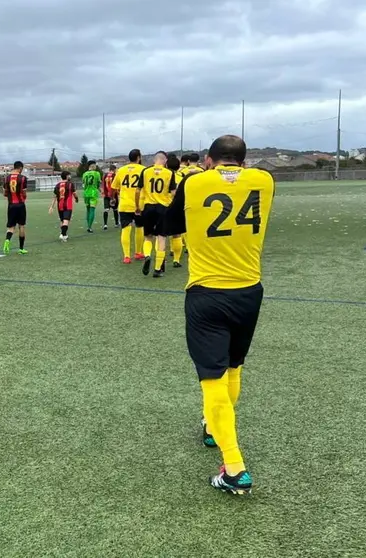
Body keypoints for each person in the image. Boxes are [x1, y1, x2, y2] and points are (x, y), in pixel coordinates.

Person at [162, 134, 274, 495]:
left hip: (207, 292)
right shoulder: (264, 180)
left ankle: (235, 467)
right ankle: (213, 426)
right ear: (244, 159)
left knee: (211, 377)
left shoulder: (195, 182)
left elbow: (168, 225)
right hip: (249, 290)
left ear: (209, 159)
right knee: (233, 367)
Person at [135, 151, 175, 277]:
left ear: (154, 160)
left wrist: (137, 206)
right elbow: (173, 193)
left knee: (148, 236)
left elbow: (137, 190)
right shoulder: (169, 173)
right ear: (165, 161)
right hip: (163, 208)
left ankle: (147, 256)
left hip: (148, 207)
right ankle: (158, 269)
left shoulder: (146, 171)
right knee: (161, 238)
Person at [111, 149, 146, 263]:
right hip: (139, 204)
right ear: (138, 157)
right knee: (139, 227)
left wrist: (112, 198)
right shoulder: (143, 170)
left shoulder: (121, 170)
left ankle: (126, 256)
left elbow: (114, 187)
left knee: (126, 229)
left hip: (124, 204)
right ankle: (138, 252)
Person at [2, 161, 30, 255]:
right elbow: (24, 192)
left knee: (11, 227)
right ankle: (21, 249)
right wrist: (24, 197)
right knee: (21, 225)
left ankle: (7, 240)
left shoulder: (6, 178)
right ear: (20, 168)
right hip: (20, 204)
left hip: (11, 205)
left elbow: (5, 193)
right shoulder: (23, 178)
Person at [48, 171, 78, 241]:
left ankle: (64, 236)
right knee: (66, 221)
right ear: (67, 176)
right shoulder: (70, 184)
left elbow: (55, 196)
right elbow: (74, 193)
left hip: (60, 205)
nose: (70, 177)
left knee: (62, 221)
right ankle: (62, 234)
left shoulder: (57, 185)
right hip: (68, 205)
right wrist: (76, 198)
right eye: (69, 175)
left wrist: (51, 206)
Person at [81, 161, 102, 232]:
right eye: (95, 166)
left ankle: (88, 226)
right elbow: (98, 184)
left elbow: (83, 185)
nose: (96, 167)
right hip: (93, 193)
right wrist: (101, 191)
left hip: (86, 193)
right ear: (92, 166)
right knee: (92, 210)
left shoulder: (84, 174)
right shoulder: (97, 173)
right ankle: (89, 227)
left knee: (88, 209)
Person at [102, 164, 117, 230]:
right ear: (114, 169)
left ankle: (105, 224)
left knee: (106, 209)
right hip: (113, 195)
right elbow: (116, 185)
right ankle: (116, 223)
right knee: (115, 209)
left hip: (106, 195)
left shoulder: (105, 175)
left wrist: (104, 193)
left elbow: (103, 185)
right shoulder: (115, 175)